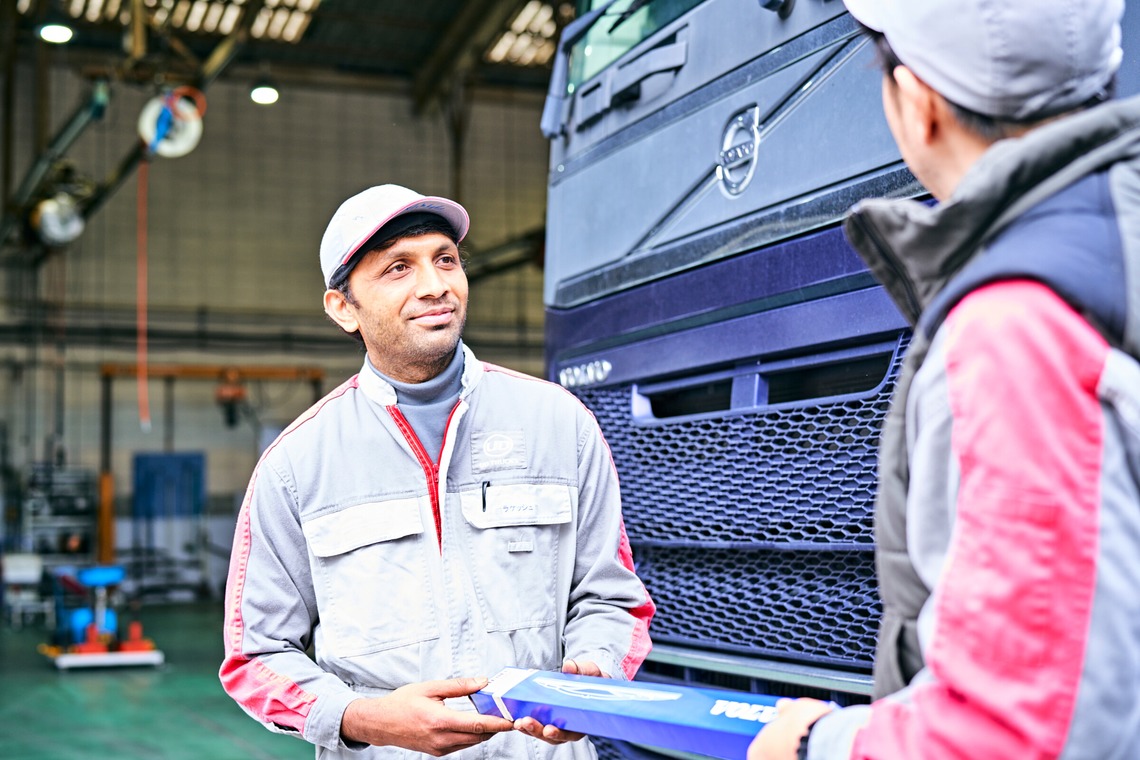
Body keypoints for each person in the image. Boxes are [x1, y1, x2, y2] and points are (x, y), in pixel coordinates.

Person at [749, 0, 1140, 758]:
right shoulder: (1109, 249)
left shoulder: (1016, 326)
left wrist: (813, 745)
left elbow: (1017, 729)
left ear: (920, 104)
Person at [219, 183, 655, 759]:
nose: (435, 285)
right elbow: (256, 654)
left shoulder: (559, 424)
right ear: (343, 308)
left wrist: (593, 676)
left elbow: (613, 599)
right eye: (399, 267)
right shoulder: (297, 466)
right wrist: (364, 719)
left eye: (445, 259)